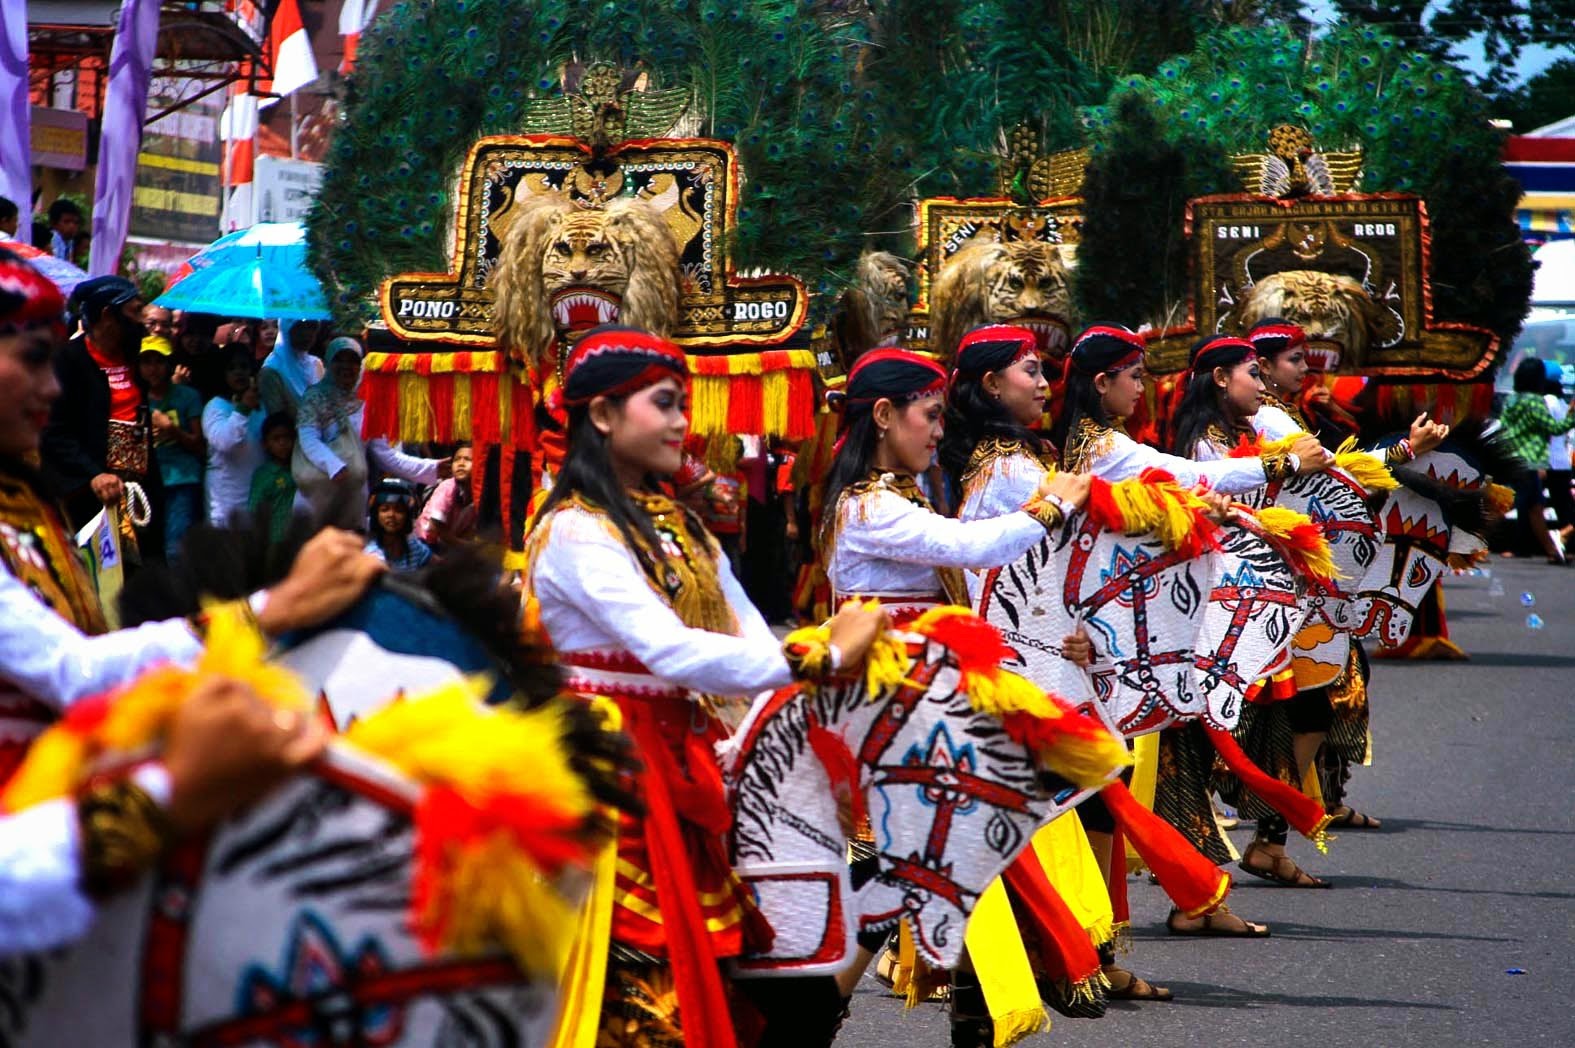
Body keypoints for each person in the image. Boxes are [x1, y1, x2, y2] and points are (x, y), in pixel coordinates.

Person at [0, 246, 385, 954]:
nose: (52, 388)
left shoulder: (21, 503)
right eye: (31, 359)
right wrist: (270, 611)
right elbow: (72, 674)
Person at [523, 325, 886, 1047]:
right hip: (602, 774)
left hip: (683, 760)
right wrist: (814, 657)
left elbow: (746, 635)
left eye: (682, 405)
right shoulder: (571, 530)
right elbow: (671, 651)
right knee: (631, 989)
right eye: (664, 404)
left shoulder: (680, 526)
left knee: (717, 973)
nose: (682, 423)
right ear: (603, 415)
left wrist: (799, 689)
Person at [822, 346, 1086, 622]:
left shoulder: (891, 495)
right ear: (884, 414)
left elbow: (969, 585)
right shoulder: (867, 506)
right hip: (892, 649)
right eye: (931, 416)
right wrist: (1051, 508)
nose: (939, 432)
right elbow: (968, 545)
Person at [1051, 323, 1330, 489]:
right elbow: (1193, 475)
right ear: (1102, 383)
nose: (1141, 388)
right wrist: (1290, 463)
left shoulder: (1095, 439)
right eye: (1135, 377)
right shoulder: (1105, 447)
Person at [39, 275, 162, 559]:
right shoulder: (67, 361)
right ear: (108, 315)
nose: (141, 321)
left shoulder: (133, 359)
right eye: (135, 311)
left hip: (137, 492)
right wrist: (93, 475)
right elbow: (53, 431)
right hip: (88, 496)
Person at [294, 337, 447, 530]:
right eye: (339, 359)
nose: (346, 366)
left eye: (353, 361)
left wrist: (432, 468)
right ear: (328, 362)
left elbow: (386, 456)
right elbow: (308, 439)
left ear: (360, 366)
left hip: (352, 498)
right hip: (316, 493)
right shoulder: (314, 397)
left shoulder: (366, 403)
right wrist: (333, 465)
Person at [1498, 355, 1575, 564]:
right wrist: (1572, 417)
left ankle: (1552, 551)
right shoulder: (1535, 402)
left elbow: (1503, 427)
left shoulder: (1512, 400)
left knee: (1533, 507)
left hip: (1514, 458)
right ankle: (1472, 543)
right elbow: (1554, 428)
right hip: (1530, 461)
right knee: (1520, 505)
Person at [139, 334, 206, 561]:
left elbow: (199, 445)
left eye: (159, 361)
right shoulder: (135, 398)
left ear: (169, 364)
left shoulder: (188, 396)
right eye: (147, 362)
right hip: (147, 482)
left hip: (181, 480)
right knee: (149, 548)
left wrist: (171, 429)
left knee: (176, 548)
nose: (153, 369)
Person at [202, 346, 266, 527]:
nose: (239, 372)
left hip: (257, 500)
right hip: (225, 502)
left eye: (244, 367)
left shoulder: (262, 406)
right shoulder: (215, 407)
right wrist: (243, 409)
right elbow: (225, 442)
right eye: (231, 368)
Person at [248, 412, 297, 549]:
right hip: (275, 542)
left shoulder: (300, 468)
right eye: (276, 439)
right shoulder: (264, 475)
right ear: (265, 444)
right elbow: (254, 510)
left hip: (300, 538)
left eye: (287, 437)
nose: (282, 443)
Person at [414, 442, 477, 547]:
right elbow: (435, 528)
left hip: (447, 544)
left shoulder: (476, 494)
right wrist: (466, 546)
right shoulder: (447, 487)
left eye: (468, 459)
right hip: (425, 542)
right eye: (457, 459)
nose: (461, 463)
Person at [364, 479, 432, 570]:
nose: (391, 515)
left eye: (399, 510)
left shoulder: (416, 547)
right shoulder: (371, 555)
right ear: (376, 515)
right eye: (385, 509)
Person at [1542, 359, 1575, 548]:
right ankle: (1566, 543)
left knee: (1529, 502)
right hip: (1562, 461)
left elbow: (1546, 432)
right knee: (1564, 507)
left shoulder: (1547, 401)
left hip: (1549, 461)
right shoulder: (1562, 403)